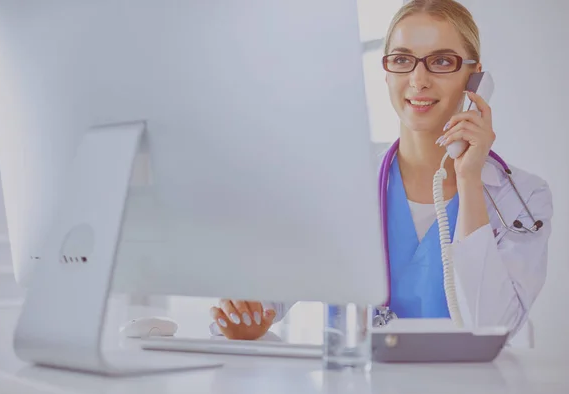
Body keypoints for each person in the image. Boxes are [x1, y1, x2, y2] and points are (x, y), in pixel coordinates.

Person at [209, 0, 553, 340]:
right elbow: (264, 297)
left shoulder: (523, 198)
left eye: (442, 61)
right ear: (387, 73)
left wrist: (468, 179)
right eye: (403, 60)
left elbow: (492, 328)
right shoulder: (342, 184)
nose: (419, 80)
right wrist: (247, 315)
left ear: (475, 79)